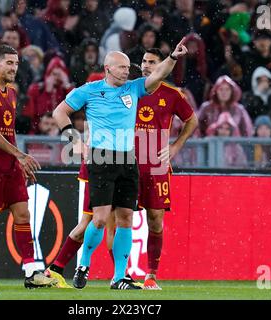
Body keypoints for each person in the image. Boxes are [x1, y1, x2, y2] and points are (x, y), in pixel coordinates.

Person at [52, 39, 189, 290]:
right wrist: (74, 140)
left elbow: (159, 73)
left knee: (126, 218)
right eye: (122, 67)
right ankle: (84, 263)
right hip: (102, 158)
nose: (128, 71)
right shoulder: (89, 90)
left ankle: (119, 278)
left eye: (128, 67)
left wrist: (173, 58)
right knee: (101, 219)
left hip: (128, 159)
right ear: (108, 68)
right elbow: (59, 112)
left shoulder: (135, 88)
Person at [0, 44, 57, 289]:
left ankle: (30, 273)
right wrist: (20, 155)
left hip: (10, 166)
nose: (14, 68)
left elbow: (8, 131)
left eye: (16, 63)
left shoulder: (13, 93)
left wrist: (19, 161)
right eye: (9, 63)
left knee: (23, 214)